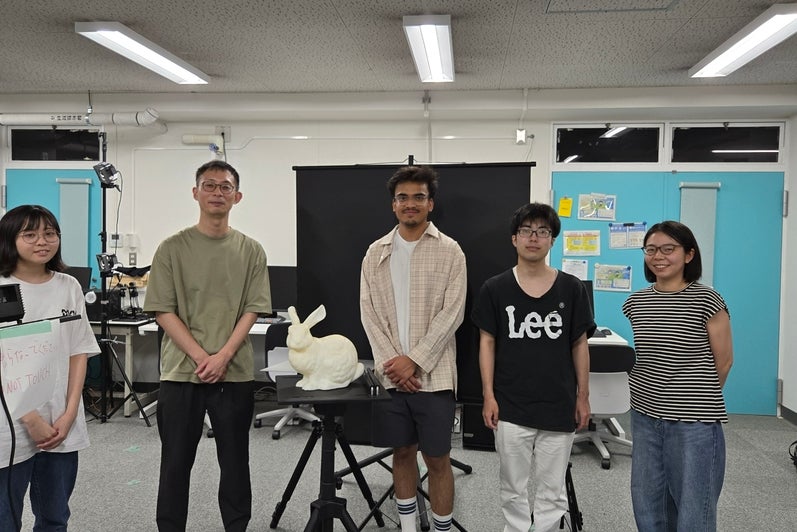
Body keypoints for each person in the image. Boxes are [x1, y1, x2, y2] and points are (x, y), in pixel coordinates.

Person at [144, 160, 271, 532]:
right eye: (209, 185)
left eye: (225, 187)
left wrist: (224, 356)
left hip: (233, 374)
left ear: (237, 196)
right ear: (195, 192)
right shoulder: (171, 248)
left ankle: (237, 526)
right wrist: (203, 357)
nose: (218, 192)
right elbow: (162, 310)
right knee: (175, 463)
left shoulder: (251, 250)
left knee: (235, 462)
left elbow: (253, 309)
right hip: (182, 374)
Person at [471, 202, 593, 532]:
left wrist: (583, 397)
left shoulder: (572, 288)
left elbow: (579, 344)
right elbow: (487, 343)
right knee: (513, 489)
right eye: (526, 231)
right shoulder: (494, 289)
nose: (534, 238)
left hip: (559, 402)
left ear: (552, 240)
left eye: (543, 232)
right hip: (510, 403)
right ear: (514, 239)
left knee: (552, 493)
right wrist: (488, 395)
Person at [359, 165, 466, 532]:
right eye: (402, 197)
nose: (410, 204)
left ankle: (440, 529)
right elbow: (368, 313)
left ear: (430, 203)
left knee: (438, 459)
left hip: (434, 378)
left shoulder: (450, 251)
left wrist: (414, 362)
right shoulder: (375, 253)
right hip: (392, 378)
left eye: (418, 197)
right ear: (393, 205)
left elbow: (453, 314)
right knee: (401, 453)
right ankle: (407, 527)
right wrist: (395, 366)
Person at [622, 220, 733, 532]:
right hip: (644, 415)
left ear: (688, 255)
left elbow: (724, 361)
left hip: (693, 420)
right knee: (648, 499)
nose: (659, 256)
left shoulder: (707, 299)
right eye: (652, 249)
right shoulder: (636, 302)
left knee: (694, 506)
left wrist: (691, 398)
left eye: (669, 249)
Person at [0, 205, 100, 531]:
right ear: (9, 239)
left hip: (60, 420)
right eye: (30, 234)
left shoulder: (68, 286)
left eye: (49, 233)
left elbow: (78, 352)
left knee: (55, 518)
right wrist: (30, 418)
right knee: (5, 520)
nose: (42, 241)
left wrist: (71, 412)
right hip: (10, 427)